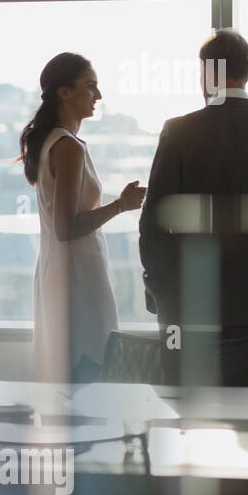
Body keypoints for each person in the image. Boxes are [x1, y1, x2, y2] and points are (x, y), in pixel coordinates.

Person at [139, 29, 248, 386]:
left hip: (184, 305)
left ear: (207, 73)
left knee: (184, 419)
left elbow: (152, 223)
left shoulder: (178, 131)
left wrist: (160, 291)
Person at [21, 52, 146, 383]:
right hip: (76, 278)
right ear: (64, 92)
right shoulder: (69, 147)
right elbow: (67, 227)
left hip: (58, 270)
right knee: (88, 374)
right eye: (90, 87)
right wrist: (121, 205)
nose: (99, 96)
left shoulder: (52, 142)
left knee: (70, 376)